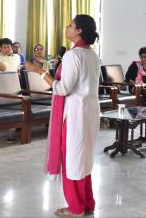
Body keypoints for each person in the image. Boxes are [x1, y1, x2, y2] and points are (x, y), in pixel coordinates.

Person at [27, 15, 100, 217]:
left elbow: (62, 89)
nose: (66, 27)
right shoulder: (92, 54)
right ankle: (87, 203)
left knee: (73, 159)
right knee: (84, 158)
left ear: (78, 31)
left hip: (76, 114)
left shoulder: (73, 55)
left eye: (70, 25)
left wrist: (38, 70)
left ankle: (75, 208)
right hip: (91, 112)